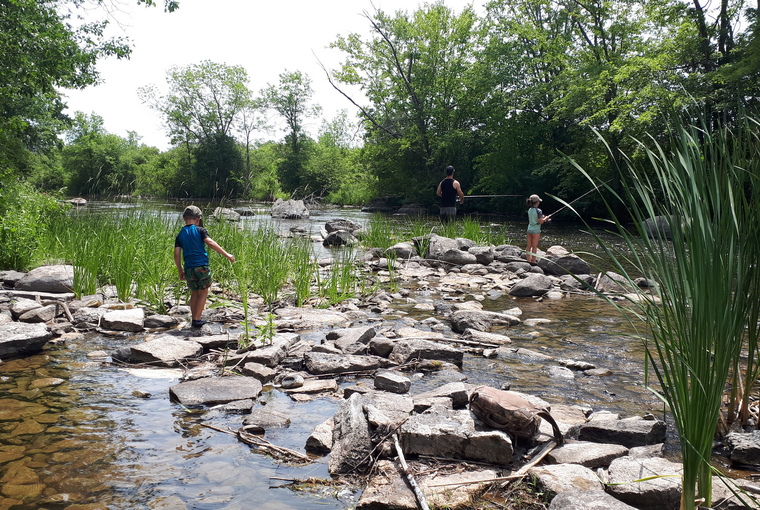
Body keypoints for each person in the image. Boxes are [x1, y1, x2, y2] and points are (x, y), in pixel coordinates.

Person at [174, 205, 235, 328]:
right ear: (199, 219)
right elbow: (210, 242)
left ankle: (194, 318)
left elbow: (176, 254)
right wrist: (227, 255)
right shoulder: (200, 230)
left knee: (194, 292)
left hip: (189, 267)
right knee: (203, 292)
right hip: (201, 266)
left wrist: (180, 270)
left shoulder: (180, 234)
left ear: (184, 218)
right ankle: (197, 320)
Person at [525, 194, 550, 264]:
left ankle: (528, 260)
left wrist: (542, 217)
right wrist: (546, 218)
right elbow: (541, 221)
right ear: (537, 202)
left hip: (529, 229)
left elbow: (534, 218)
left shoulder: (529, 210)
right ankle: (533, 261)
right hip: (536, 231)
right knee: (534, 247)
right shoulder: (539, 210)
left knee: (529, 246)